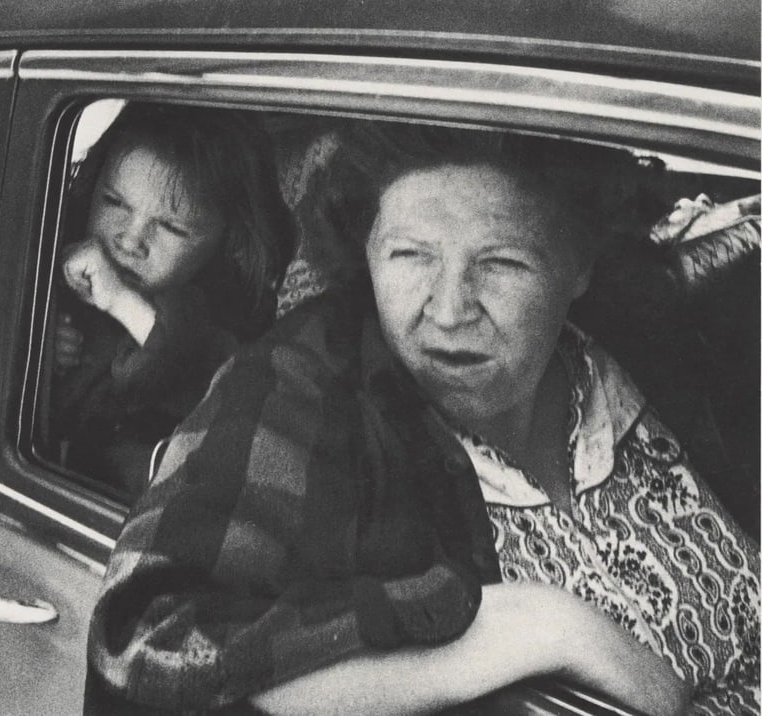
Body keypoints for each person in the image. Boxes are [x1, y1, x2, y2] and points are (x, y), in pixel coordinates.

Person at [85, 122, 759, 714]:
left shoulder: (642, 338)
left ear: (577, 265)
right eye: (409, 256)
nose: (447, 310)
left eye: (501, 262)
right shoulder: (304, 383)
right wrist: (531, 627)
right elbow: (154, 630)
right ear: (365, 252)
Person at [51, 103, 293, 495]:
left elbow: (179, 355)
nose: (130, 240)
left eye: (169, 227)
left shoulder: (208, 317)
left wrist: (117, 299)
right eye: (114, 202)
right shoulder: (56, 252)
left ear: (225, 242)